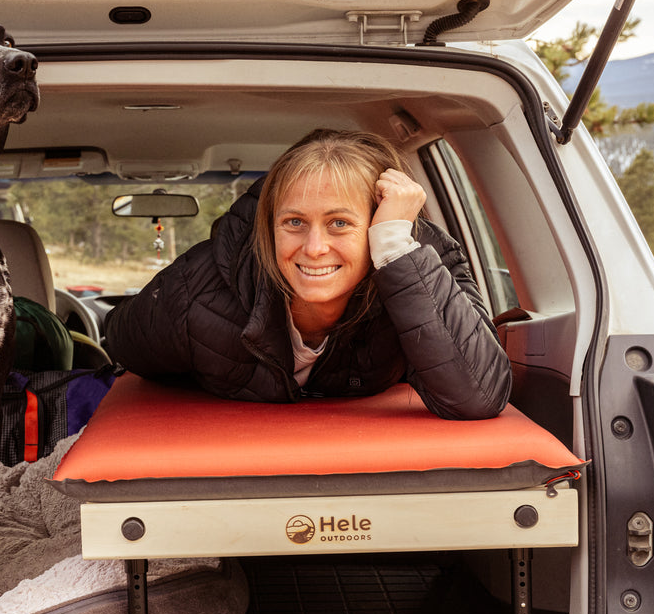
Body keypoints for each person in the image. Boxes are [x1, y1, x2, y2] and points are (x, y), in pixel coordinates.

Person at [103, 128, 510, 420]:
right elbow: (123, 343)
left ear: (378, 224)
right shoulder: (199, 289)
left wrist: (393, 247)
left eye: (339, 223)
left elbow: (478, 396)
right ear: (269, 226)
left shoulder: (417, 264)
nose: (314, 248)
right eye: (294, 222)